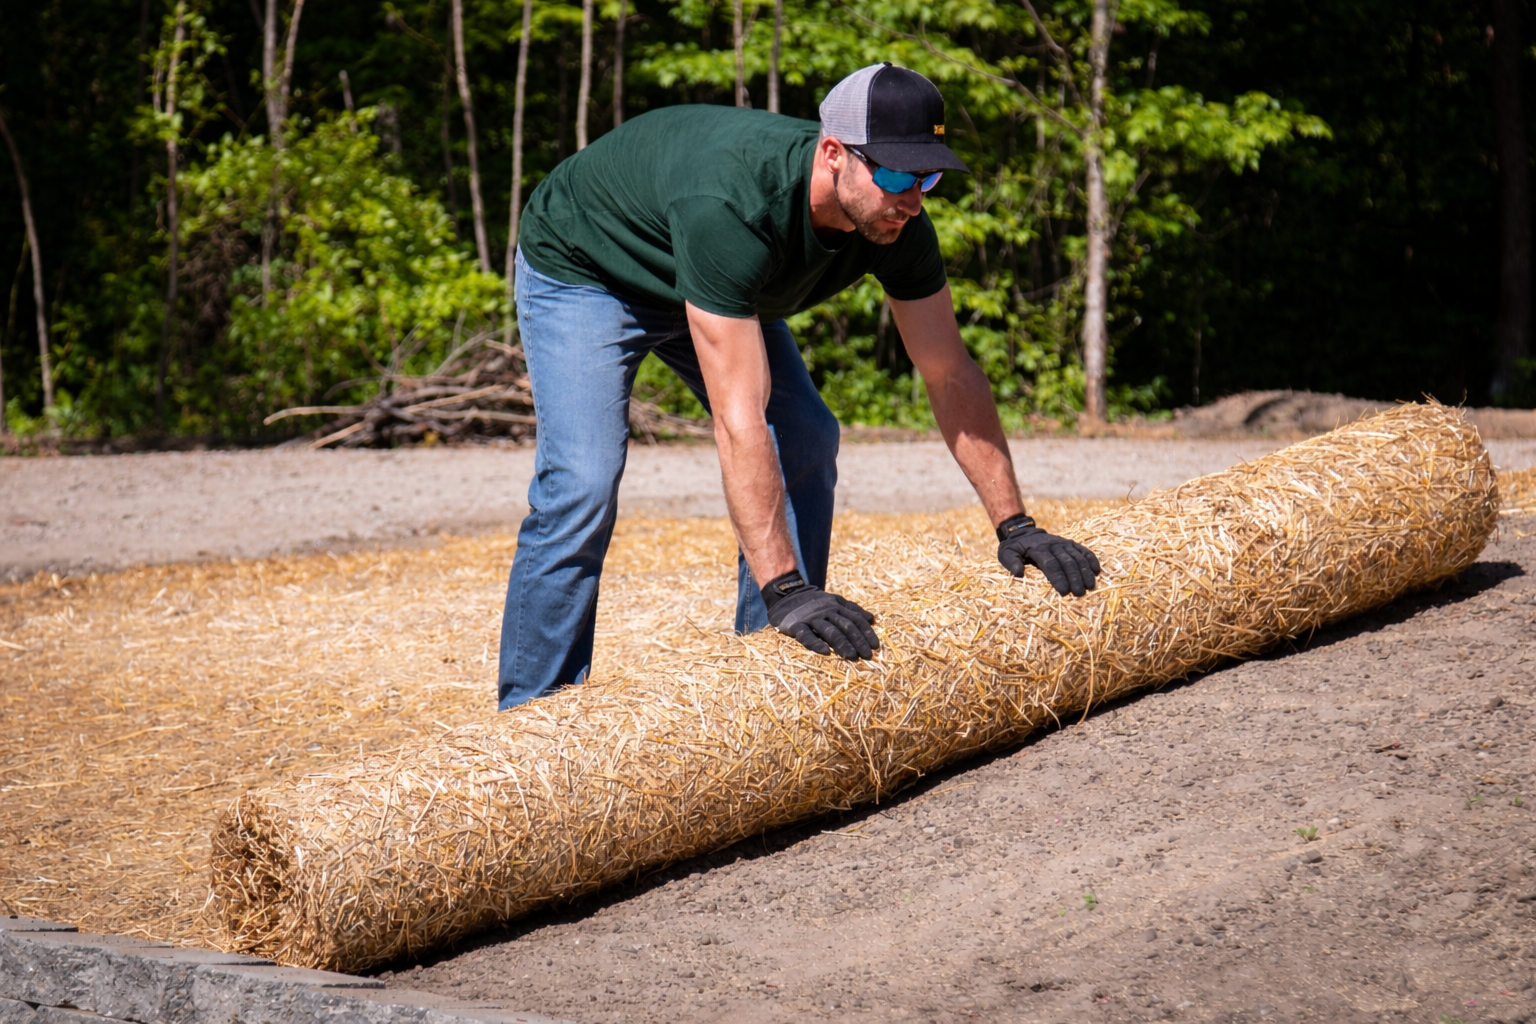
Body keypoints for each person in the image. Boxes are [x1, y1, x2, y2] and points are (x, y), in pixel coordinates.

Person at [498, 62, 1100, 710]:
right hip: (589, 266)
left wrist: (1015, 525)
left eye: (927, 178)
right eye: (896, 175)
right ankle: (533, 717)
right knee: (583, 481)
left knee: (808, 435)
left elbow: (948, 371)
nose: (912, 199)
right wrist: (784, 586)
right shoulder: (736, 205)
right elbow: (739, 419)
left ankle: (771, 685)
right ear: (834, 153)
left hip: (713, 277)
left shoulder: (896, 225)